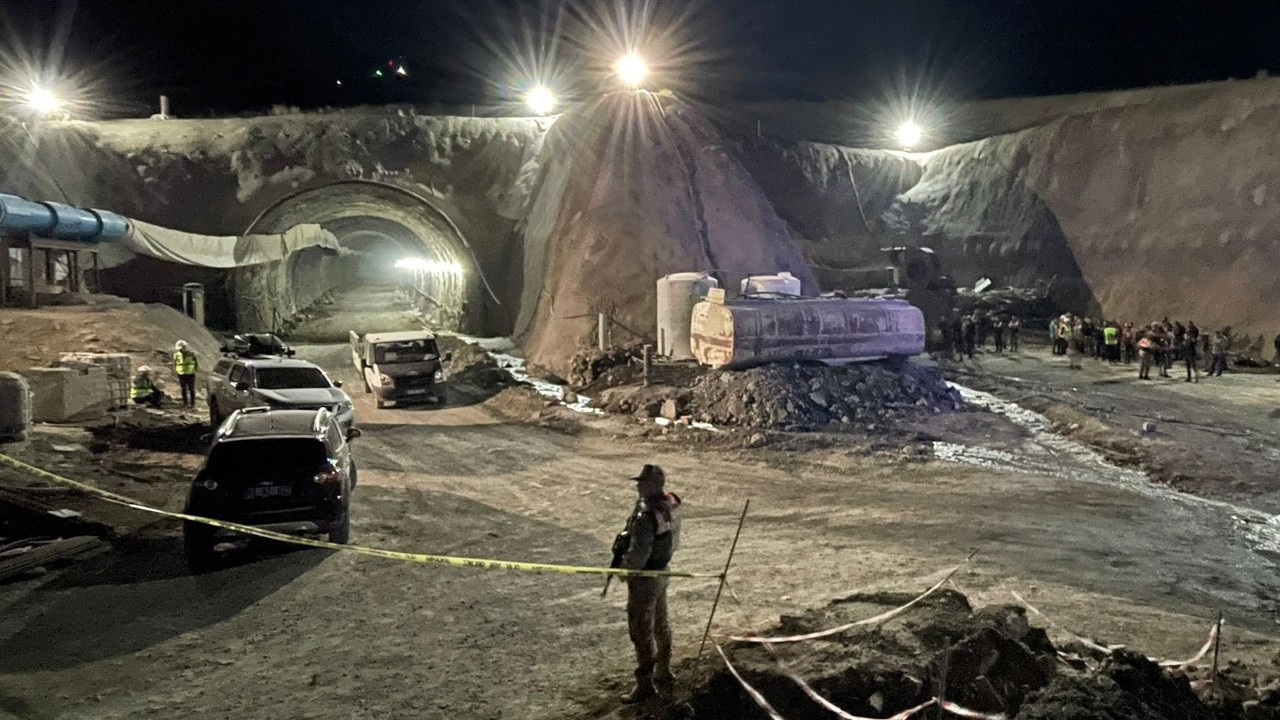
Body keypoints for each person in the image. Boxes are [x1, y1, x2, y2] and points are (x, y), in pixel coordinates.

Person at [617, 464, 682, 704]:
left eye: (642, 483)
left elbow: (639, 553)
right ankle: (663, 671)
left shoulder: (646, 516)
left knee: (641, 630)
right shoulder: (671, 504)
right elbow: (673, 540)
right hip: (662, 571)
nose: (638, 486)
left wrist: (625, 570)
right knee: (660, 623)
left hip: (644, 578)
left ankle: (645, 685)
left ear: (653, 485)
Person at [173, 340, 199, 409]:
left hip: (190, 373)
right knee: (183, 389)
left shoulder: (192, 354)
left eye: (182, 349)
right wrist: (177, 371)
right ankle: (185, 403)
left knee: (191, 389)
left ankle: (192, 404)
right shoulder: (176, 354)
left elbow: (196, 363)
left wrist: (195, 370)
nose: (181, 350)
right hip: (181, 373)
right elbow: (175, 363)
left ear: (185, 347)